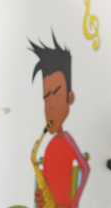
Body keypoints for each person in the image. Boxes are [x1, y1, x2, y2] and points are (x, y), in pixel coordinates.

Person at [30, 33, 90, 208]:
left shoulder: (67, 140)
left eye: (56, 93)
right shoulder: (48, 147)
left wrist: (73, 202)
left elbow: (85, 169)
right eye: (46, 98)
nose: (50, 106)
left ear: (69, 97)